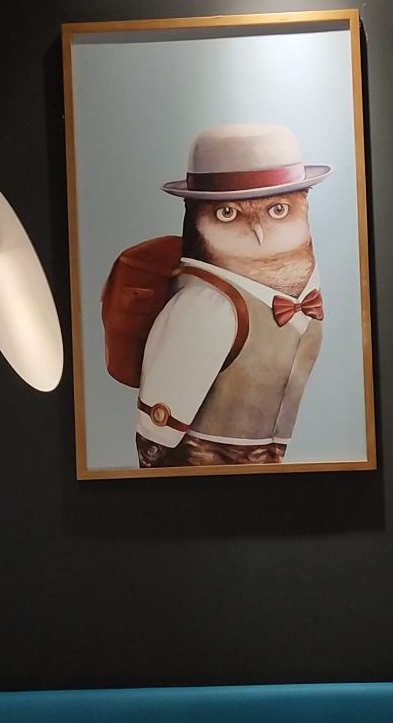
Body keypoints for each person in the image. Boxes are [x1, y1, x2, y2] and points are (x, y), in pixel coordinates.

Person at [135, 124, 330, 468]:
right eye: (227, 212)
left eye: (278, 209)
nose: (257, 229)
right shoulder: (206, 304)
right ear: (196, 215)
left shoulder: (308, 292)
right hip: (201, 471)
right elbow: (155, 446)